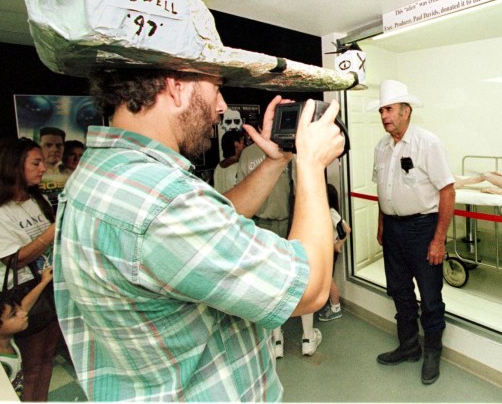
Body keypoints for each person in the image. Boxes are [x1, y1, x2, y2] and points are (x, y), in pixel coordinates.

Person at [53, 68, 344, 401]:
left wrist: (275, 161)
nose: (221, 106)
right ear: (176, 89)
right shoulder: (163, 200)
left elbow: (217, 220)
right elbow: (310, 289)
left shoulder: (109, 170)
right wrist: (311, 163)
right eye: (216, 89)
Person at [369, 79, 455, 385]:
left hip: (423, 228)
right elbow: (384, 189)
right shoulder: (381, 147)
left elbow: (447, 191)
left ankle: (432, 352)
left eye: (389, 109)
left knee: (430, 296)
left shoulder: (427, 143)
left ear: (406, 111)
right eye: (381, 110)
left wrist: (438, 239)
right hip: (392, 230)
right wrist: (382, 225)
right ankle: (408, 346)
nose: (384, 116)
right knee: (400, 292)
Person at [0, 137, 60, 402]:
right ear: (12, 166)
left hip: (47, 290)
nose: (43, 169)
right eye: (36, 163)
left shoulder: (35, 200)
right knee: (29, 367)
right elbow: (14, 260)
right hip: (20, 299)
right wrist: (55, 229)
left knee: (46, 358)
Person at [236, 139, 322, 357]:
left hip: (286, 222)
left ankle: (306, 337)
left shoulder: (290, 153)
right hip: (260, 224)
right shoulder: (249, 154)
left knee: (294, 275)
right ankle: (277, 340)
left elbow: (297, 188)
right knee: (276, 280)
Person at [0, 266, 53, 400]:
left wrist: (43, 282)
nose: (23, 314)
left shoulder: (5, 338)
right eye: (13, 315)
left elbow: (25, 305)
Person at [318, 183, 351, 322]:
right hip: (324, 250)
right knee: (326, 278)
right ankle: (331, 304)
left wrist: (337, 244)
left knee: (327, 280)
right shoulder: (324, 211)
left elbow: (347, 229)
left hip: (329, 251)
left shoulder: (331, 212)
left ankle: (336, 307)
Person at [38, 127, 69, 210]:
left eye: (59, 145)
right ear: (39, 147)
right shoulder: (32, 174)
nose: (54, 149)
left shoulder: (71, 172)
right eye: (48, 145)